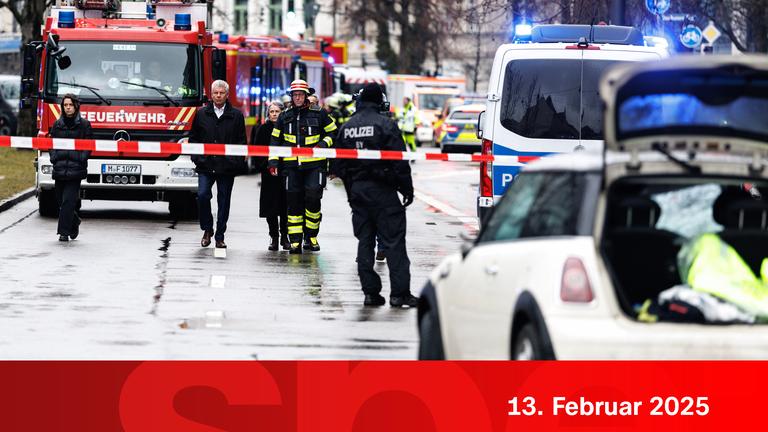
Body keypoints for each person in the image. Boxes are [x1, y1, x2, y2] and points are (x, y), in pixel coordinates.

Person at [334, 83, 418, 308]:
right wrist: (407, 189)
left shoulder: (347, 127)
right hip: (384, 192)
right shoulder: (386, 125)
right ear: (380, 101)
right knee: (394, 243)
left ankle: (370, 293)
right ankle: (399, 294)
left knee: (365, 242)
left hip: (359, 193)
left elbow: (339, 165)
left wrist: (352, 191)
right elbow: (399, 160)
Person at [268, 79, 337, 254]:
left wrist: (322, 145)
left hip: (315, 166)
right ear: (291, 96)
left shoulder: (319, 113)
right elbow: (275, 140)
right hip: (291, 166)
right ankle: (295, 241)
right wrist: (273, 161)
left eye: (301, 94)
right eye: (295, 94)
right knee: (293, 203)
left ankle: (311, 237)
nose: (298, 97)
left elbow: (333, 132)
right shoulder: (285, 115)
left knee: (313, 199)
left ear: (306, 95)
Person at [190, 80, 247, 249]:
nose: (218, 95)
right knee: (202, 195)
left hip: (226, 167)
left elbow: (241, 141)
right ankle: (207, 229)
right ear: (211, 94)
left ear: (227, 95)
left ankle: (220, 236)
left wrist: (235, 162)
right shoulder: (201, 114)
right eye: (216, 93)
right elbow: (193, 138)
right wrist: (197, 158)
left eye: (222, 93)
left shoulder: (236, 115)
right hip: (205, 165)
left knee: (224, 202)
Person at [48, 94, 92, 242]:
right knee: (60, 201)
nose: (68, 107)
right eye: (65, 105)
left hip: (75, 170)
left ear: (76, 106)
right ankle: (75, 221)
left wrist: (81, 159)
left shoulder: (84, 125)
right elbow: (51, 144)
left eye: (70, 105)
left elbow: (88, 146)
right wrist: (53, 158)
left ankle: (63, 233)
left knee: (68, 201)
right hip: (59, 168)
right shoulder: (57, 125)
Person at [250, 101, 290, 251]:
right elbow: (257, 151)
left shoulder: (287, 129)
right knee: (270, 208)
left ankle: (285, 237)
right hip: (268, 175)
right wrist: (263, 166)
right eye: (271, 112)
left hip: (285, 172)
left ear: (282, 113)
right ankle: (274, 237)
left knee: (285, 206)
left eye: (277, 111)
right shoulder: (263, 129)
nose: (274, 114)